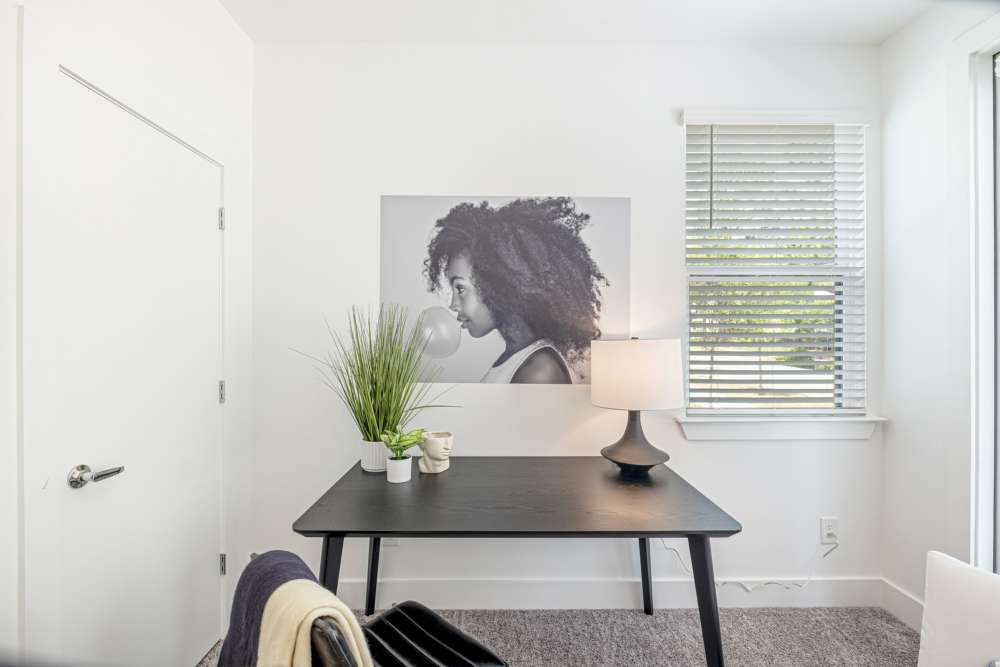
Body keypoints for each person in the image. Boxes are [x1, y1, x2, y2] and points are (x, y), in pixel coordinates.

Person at [423, 197, 607, 384]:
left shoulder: (539, 371)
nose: (453, 304)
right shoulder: (517, 358)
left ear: (497, 285)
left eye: (460, 289)